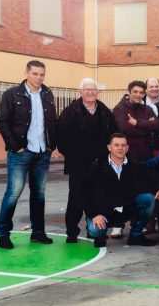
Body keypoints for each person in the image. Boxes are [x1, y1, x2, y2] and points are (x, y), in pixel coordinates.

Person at [0, 60, 58, 249]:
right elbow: (2, 122)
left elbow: (52, 122)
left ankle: (38, 233)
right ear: (27, 73)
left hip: (42, 152)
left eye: (42, 74)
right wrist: (15, 146)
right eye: (35, 74)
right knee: (13, 193)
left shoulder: (47, 94)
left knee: (39, 194)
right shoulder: (11, 94)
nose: (39, 78)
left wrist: (52, 145)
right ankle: (4, 235)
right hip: (21, 153)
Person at [57, 78, 115, 243]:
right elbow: (61, 137)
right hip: (78, 164)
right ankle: (72, 232)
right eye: (87, 89)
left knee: (98, 196)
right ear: (80, 92)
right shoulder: (70, 112)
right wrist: (72, 155)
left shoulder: (105, 111)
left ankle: (95, 231)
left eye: (93, 89)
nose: (90, 92)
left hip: (100, 163)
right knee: (76, 198)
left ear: (98, 92)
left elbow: (114, 134)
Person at [86, 133, 158, 247]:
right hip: (103, 211)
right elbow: (86, 194)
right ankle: (100, 235)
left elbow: (149, 181)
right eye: (116, 145)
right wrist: (95, 214)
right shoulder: (97, 166)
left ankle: (135, 236)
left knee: (148, 199)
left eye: (123, 145)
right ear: (109, 147)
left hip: (125, 209)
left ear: (127, 148)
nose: (120, 148)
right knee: (95, 230)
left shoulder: (133, 166)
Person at [113, 80, 159, 162]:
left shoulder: (147, 109)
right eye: (135, 92)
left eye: (141, 92)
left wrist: (137, 123)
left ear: (144, 94)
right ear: (129, 92)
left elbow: (157, 125)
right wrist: (148, 125)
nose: (138, 95)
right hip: (128, 155)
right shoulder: (120, 109)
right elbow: (126, 129)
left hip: (147, 154)